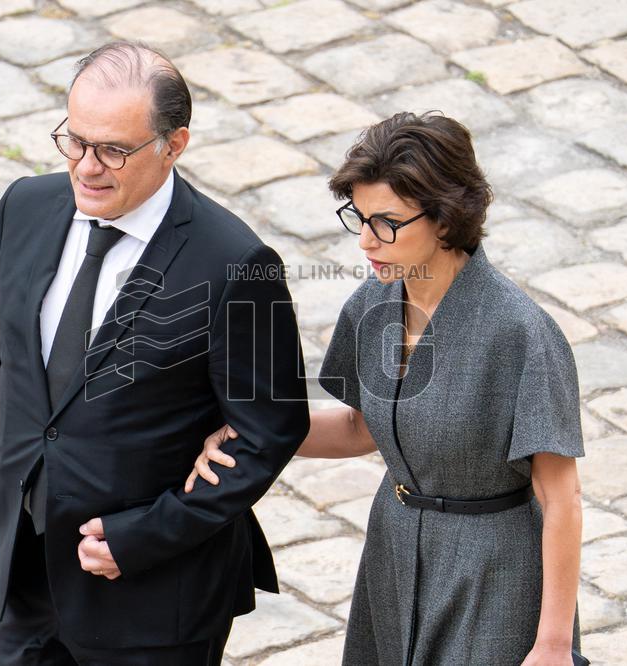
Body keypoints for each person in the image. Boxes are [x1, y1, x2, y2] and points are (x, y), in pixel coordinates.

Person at [186, 112, 584, 665]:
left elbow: (561, 497)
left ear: (445, 219)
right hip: (394, 552)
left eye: (387, 223)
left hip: (494, 573)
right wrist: (244, 429)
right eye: (360, 217)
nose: (366, 240)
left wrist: (554, 645)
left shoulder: (521, 334)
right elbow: (359, 428)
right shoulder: (372, 306)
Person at [0, 41, 309, 665]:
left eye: (113, 151)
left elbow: (272, 431)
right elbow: (0, 375)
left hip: (155, 604)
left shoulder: (238, 264)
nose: (87, 167)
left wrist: (144, 536)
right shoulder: (25, 207)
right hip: (29, 580)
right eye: (74, 141)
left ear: (173, 145)